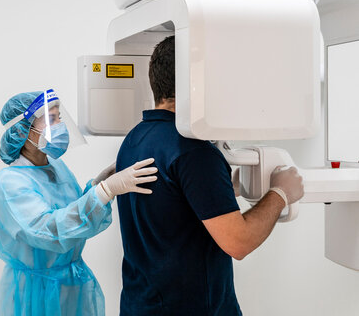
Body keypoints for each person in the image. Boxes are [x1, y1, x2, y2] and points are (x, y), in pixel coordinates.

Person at [115, 36, 305, 315]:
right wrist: (280, 194)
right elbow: (238, 242)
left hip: (140, 305)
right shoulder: (193, 151)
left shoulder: (136, 138)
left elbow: (171, 205)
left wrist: (226, 189)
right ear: (197, 83)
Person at [0, 89, 158, 316]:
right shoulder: (9, 183)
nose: (59, 125)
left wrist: (98, 184)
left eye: (59, 117)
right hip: (34, 293)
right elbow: (51, 231)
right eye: (50, 119)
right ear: (22, 131)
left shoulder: (55, 167)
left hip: (70, 286)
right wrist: (105, 191)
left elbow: (71, 212)